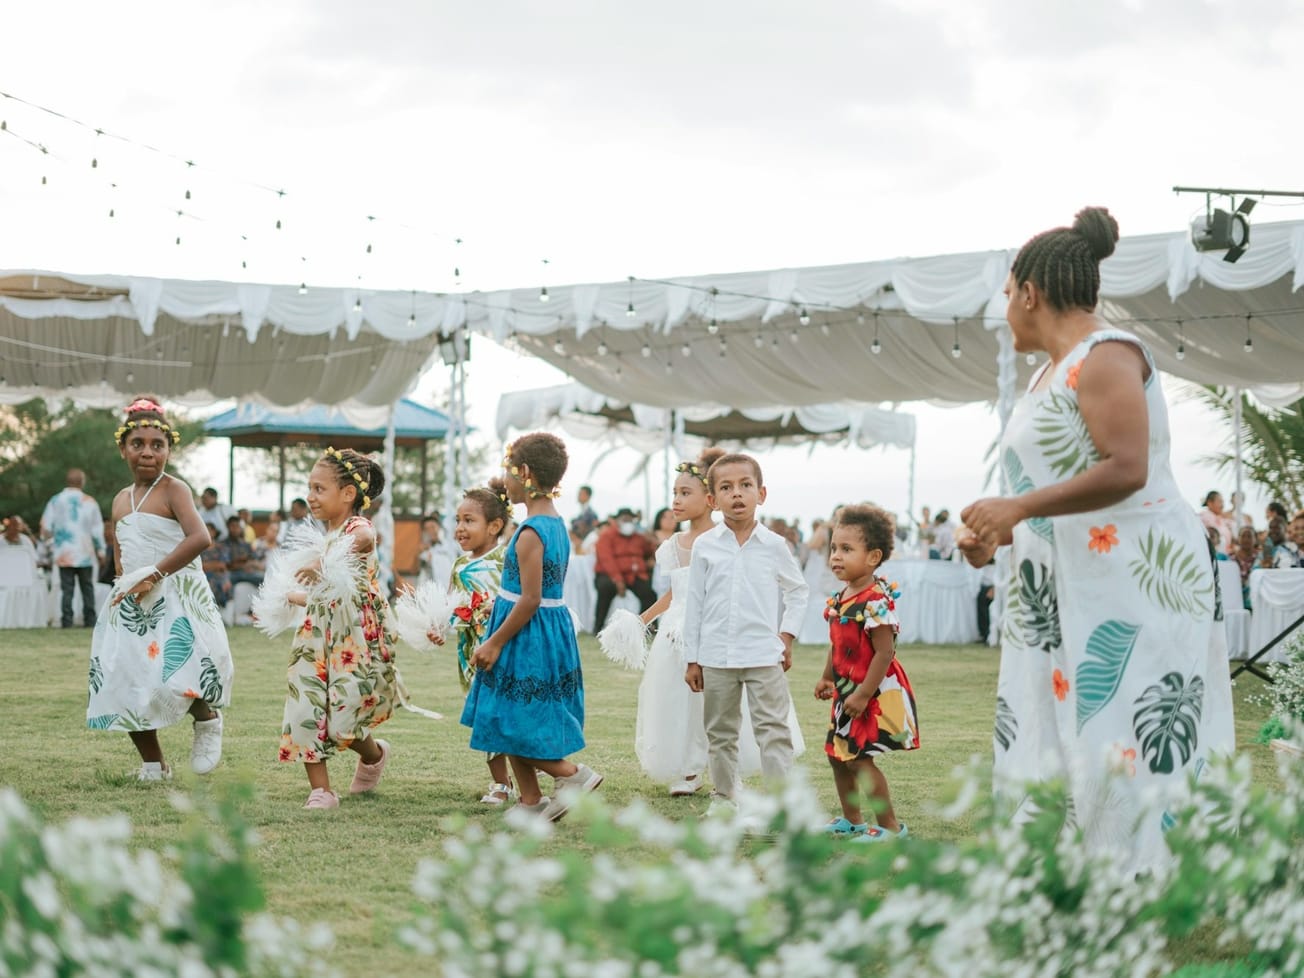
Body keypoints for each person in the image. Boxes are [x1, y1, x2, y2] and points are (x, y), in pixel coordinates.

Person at [957, 206, 1234, 874]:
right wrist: (995, 534)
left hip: (1132, 574)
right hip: (1063, 581)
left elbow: (1126, 466)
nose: (1005, 311)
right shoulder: (1048, 374)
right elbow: (1057, 478)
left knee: (1121, 718)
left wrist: (1016, 505)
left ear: (1030, 292)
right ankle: (1070, 860)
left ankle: (1133, 870)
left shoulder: (1107, 356)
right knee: (1055, 716)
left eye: (1007, 296)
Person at [88, 395, 232, 781]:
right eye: (138, 445)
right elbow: (119, 551)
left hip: (174, 594)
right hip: (132, 599)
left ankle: (206, 721)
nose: (147, 453)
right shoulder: (120, 500)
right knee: (127, 678)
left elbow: (199, 538)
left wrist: (154, 573)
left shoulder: (174, 490)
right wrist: (124, 584)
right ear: (123, 449)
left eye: (158, 445)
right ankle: (153, 763)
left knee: (179, 670)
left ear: (170, 449)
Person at [460, 433, 603, 821]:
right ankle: (529, 800)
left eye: (507, 473)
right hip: (543, 628)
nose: (504, 481)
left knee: (512, 720)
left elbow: (530, 598)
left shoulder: (530, 533)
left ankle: (572, 776)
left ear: (524, 473)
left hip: (524, 633)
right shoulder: (555, 524)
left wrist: (493, 642)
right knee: (512, 713)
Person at [682, 452, 809, 816]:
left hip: (763, 655)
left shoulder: (774, 545)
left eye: (745, 486)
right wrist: (692, 657)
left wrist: (787, 636)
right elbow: (695, 603)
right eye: (726, 487)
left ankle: (781, 803)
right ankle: (725, 797)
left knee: (773, 730)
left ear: (761, 493)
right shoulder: (706, 545)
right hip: (716, 656)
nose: (737, 494)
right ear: (712, 499)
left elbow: (797, 591)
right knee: (720, 732)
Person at [277, 447, 398, 810]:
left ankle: (373, 754)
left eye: (319, 489)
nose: (310, 497)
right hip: (316, 636)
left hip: (353, 638)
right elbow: (323, 593)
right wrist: (293, 597)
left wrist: (325, 559)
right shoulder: (323, 535)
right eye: (309, 488)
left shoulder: (355, 528)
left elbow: (362, 542)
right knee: (305, 706)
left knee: (345, 716)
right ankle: (322, 790)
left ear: (347, 494)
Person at [816, 504, 919, 840]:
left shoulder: (875, 601)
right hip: (847, 691)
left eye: (847, 549)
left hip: (869, 692)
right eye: (834, 548)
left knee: (859, 760)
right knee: (837, 756)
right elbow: (837, 643)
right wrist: (828, 676)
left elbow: (885, 651)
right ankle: (853, 820)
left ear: (873, 557)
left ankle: (891, 828)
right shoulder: (841, 597)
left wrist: (862, 694)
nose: (836, 556)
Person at [635, 450, 722, 796]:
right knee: (679, 699)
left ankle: (722, 767)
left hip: (711, 627)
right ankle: (688, 769)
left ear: (710, 499)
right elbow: (674, 593)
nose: (677, 501)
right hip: (674, 631)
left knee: (714, 702)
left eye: (686, 493)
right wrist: (641, 619)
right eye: (675, 493)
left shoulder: (721, 541)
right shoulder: (672, 545)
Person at [431, 480, 511, 805]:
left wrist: (498, 607)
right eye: (458, 521)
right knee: (485, 717)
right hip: (472, 651)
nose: (460, 528)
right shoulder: (460, 565)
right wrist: (439, 627)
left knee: (507, 715)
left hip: (505, 647)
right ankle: (501, 784)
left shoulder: (507, 559)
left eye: (469, 521)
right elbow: (452, 605)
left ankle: (527, 776)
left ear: (494, 526)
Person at [40, 468, 107, 628]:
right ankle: (90, 620)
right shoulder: (90, 502)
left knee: (66, 589)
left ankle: (66, 621)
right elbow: (97, 530)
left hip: (64, 553)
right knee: (87, 588)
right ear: (82, 482)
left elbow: (46, 527)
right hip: (85, 552)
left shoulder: (55, 500)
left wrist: (50, 546)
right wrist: (101, 550)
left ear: (67, 481)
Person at [592, 507, 657, 632]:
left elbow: (650, 551)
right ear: (617, 521)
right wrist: (618, 579)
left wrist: (651, 557)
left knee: (649, 595)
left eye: (630, 520)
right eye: (624, 520)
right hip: (610, 575)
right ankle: (598, 627)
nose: (628, 523)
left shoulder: (639, 538)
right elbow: (607, 560)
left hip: (634, 575)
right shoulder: (606, 536)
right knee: (605, 589)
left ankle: (645, 628)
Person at [224, 514, 265, 587]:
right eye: (233, 526)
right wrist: (244, 564)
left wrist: (251, 564)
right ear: (228, 527)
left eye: (238, 526)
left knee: (265, 578)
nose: (236, 529)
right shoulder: (223, 544)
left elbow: (255, 559)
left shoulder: (246, 544)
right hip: (232, 574)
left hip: (248, 572)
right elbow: (226, 565)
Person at [417, 513, 455, 587]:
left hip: (450, 589)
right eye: (427, 529)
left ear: (439, 527)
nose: (430, 531)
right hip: (431, 592)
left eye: (433, 527)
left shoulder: (451, 545)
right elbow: (414, 571)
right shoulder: (424, 550)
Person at [201, 524, 232, 607]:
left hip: (220, 576)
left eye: (210, 530)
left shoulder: (221, 547)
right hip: (204, 576)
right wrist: (215, 565)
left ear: (214, 532)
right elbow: (200, 567)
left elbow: (223, 566)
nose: (207, 532)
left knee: (222, 584)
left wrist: (208, 565)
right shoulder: (198, 548)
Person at [1198, 491, 1234, 556]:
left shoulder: (1222, 519)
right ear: (1210, 503)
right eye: (1220, 502)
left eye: (1223, 502)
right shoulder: (1204, 516)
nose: (1222, 505)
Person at [1232, 524, 1258, 610]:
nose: (1246, 539)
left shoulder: (1261, 559)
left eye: (1249, 536)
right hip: (1235, 602)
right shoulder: (1230, 559)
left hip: (1255, 603)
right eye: (1243, 536)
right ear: (1238, 539)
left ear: (1255, 539)